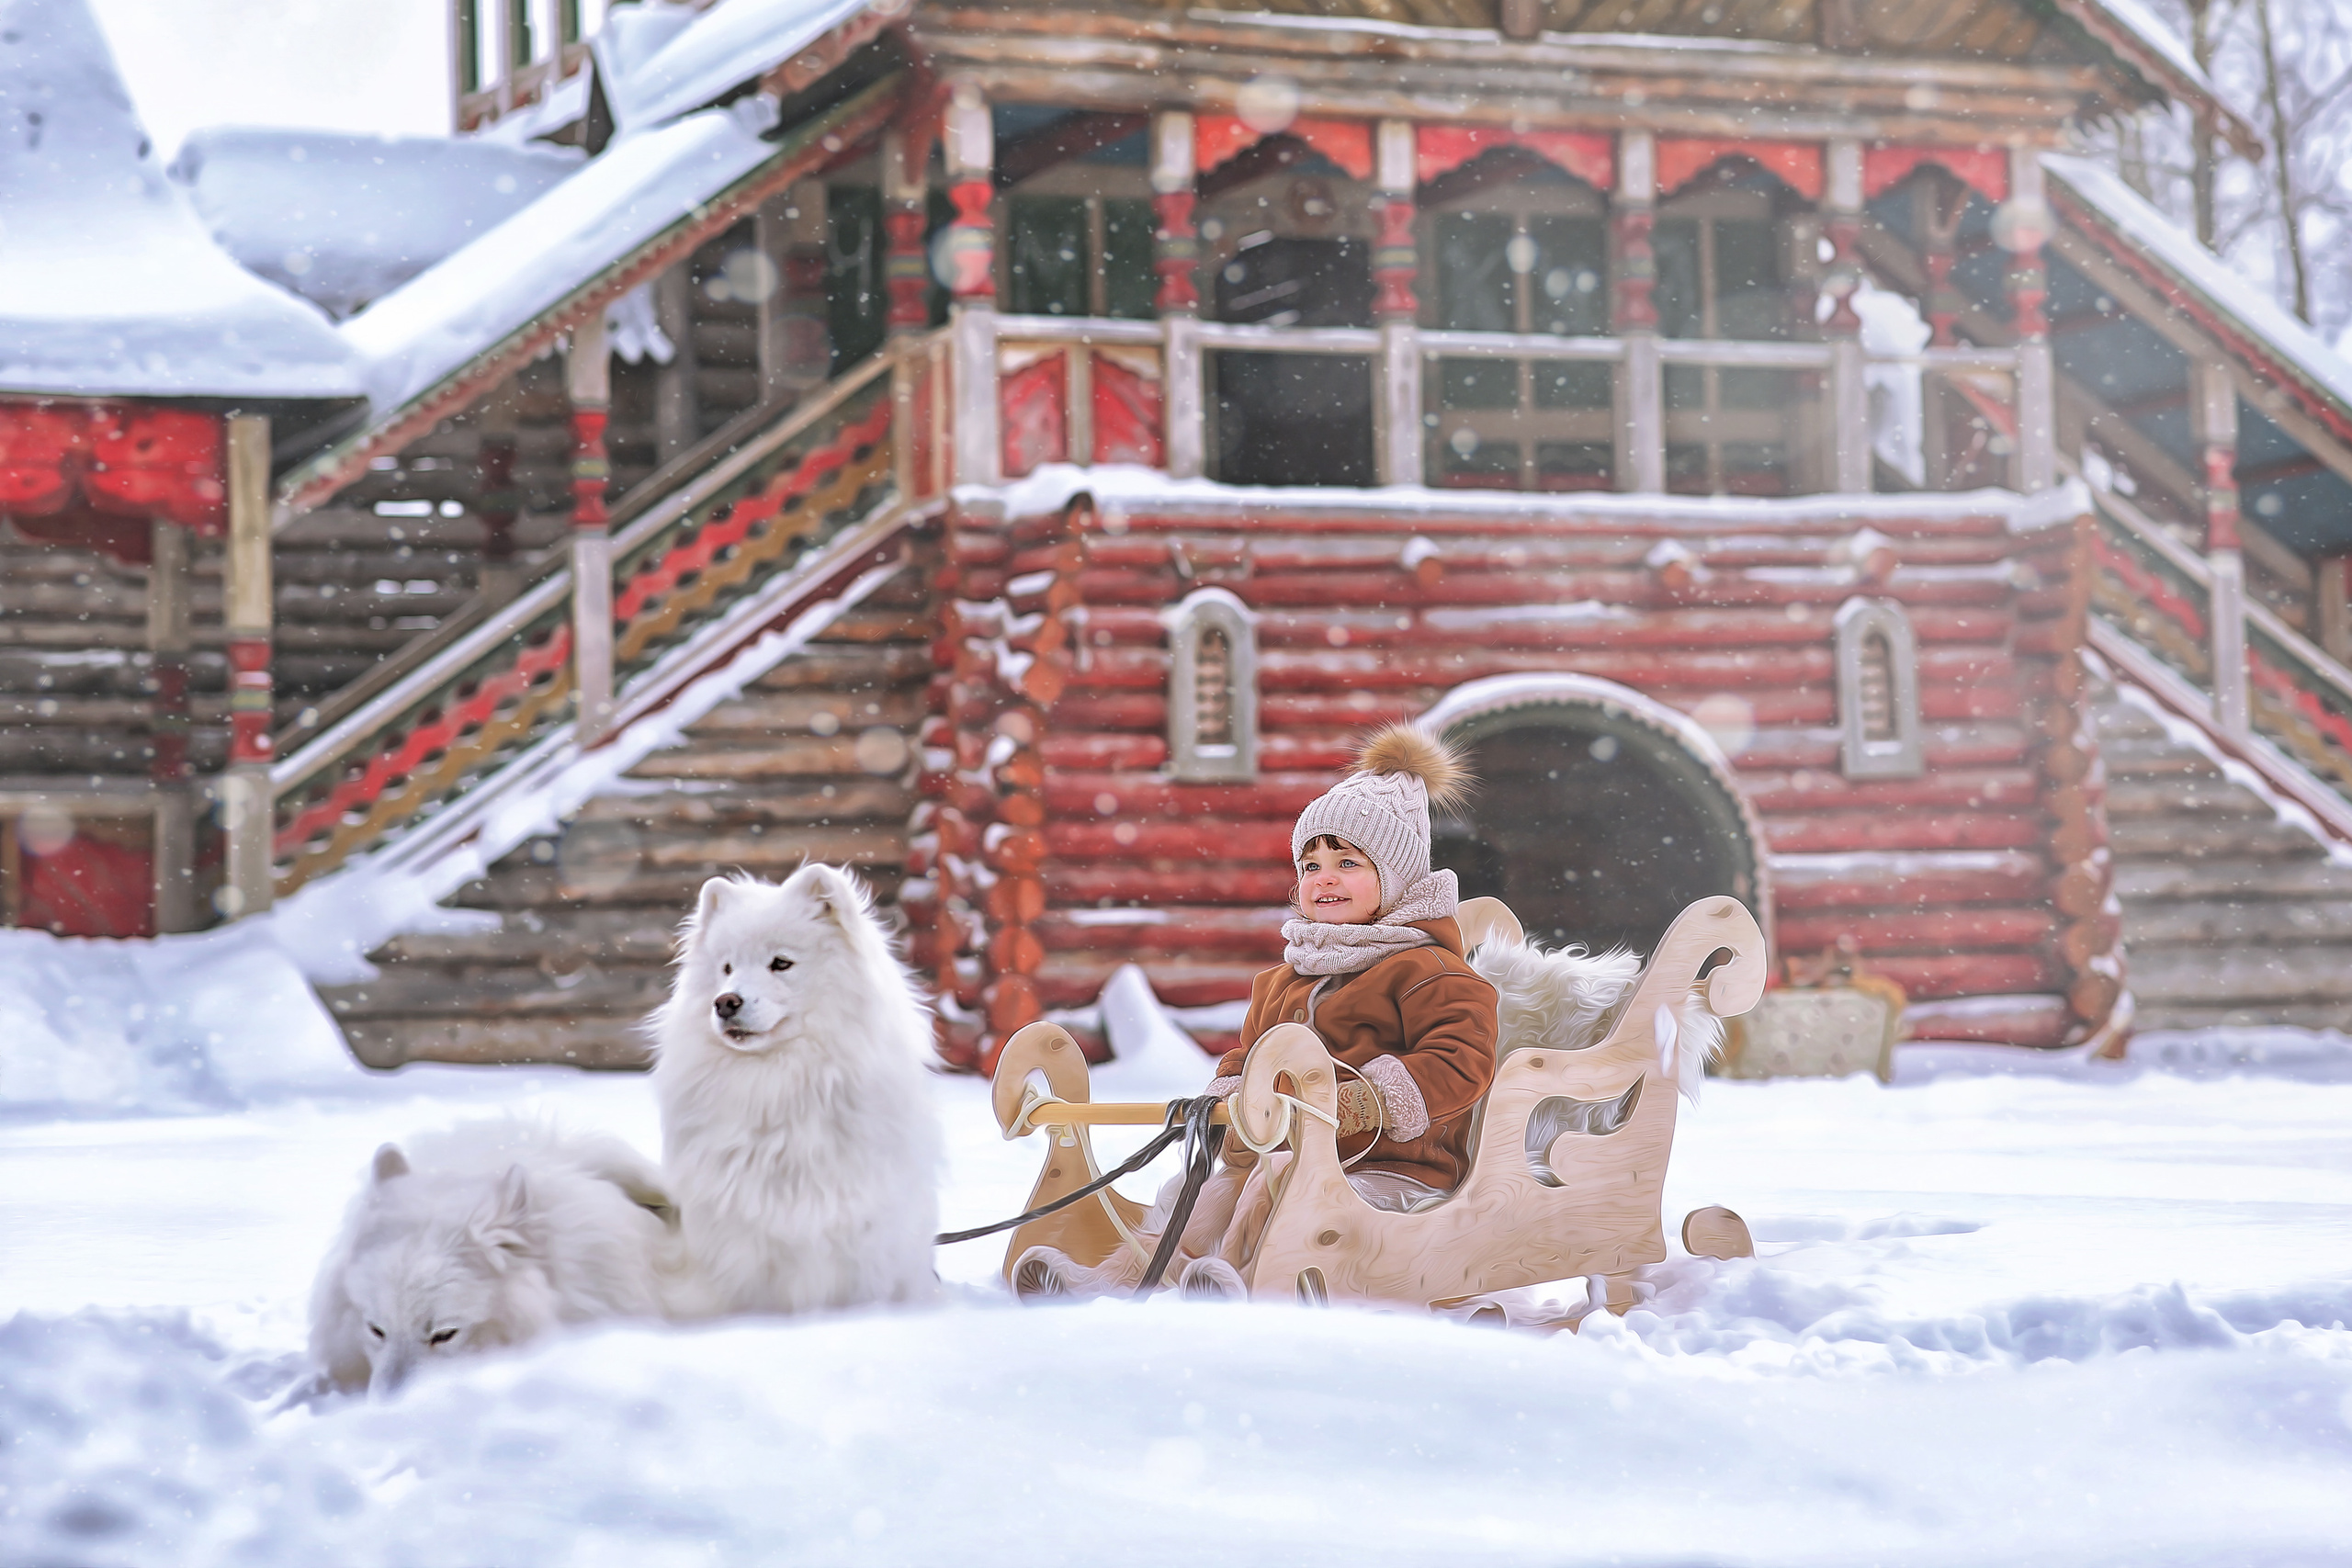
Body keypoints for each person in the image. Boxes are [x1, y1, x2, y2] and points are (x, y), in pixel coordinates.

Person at [1013, 724, 1499, 1301]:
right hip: (1280, 1159)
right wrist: (1230, 1101)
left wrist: (1366, 1100)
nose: (1325, 880)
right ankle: (1113, 1283)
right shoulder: (1283, 980)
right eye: (1310, 866)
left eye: (1348, 863)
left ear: (1396, 879)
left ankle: (1243, 1287)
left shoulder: (1431, 972)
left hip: (1392, 1175)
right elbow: (1248, 1057)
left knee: (1271, 1192)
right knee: (1204, 1195)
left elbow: (1462, 1061)